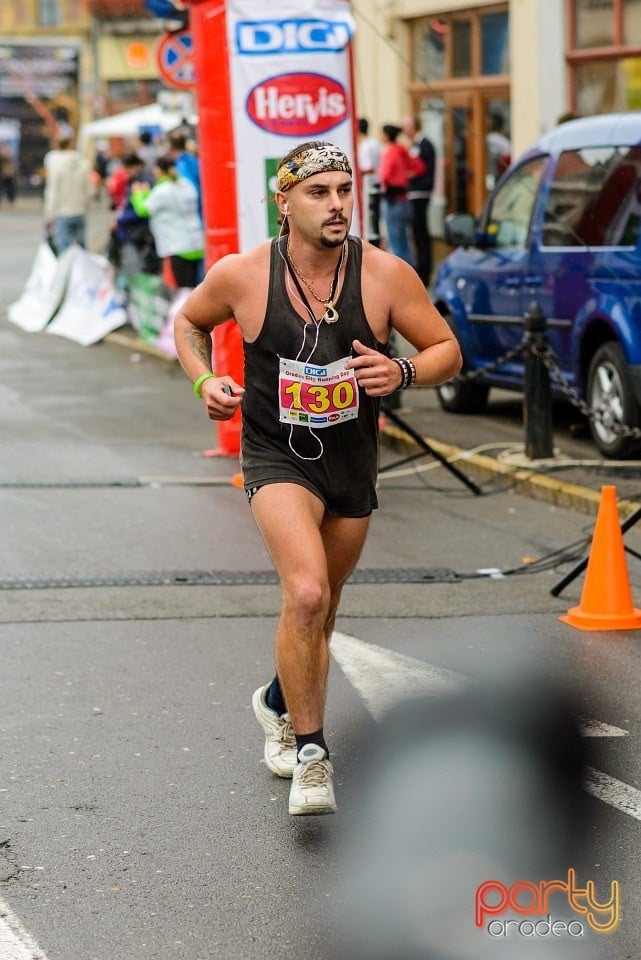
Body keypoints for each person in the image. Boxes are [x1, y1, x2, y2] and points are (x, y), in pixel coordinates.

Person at [173, 140, 461, 816]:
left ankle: (275, 698)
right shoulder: (242, 276)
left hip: (351, 462)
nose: (336, 205)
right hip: (276, 456)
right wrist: (205, 379)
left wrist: (404, 373)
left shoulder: (385, 275)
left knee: (323, 607)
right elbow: (188, 322)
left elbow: (446, 349)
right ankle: (310, 753)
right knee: (303, 593)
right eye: (318, 192)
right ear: (284, 201)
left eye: (343, 190)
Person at [130, 155, 204, 288]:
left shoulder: (161, 191)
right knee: (196, 287)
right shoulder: (186, 184)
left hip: (177, 247)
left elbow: (143, 209)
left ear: (159, 171)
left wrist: (138, 194)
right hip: (196, 243)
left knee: (184, 291)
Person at [401, 114, 436, 285]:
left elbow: (421, 169)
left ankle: (424, 271)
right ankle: (421, 269)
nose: (404, 130)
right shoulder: (414, 146)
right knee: (416, 233)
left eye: (406, 126)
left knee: (421, 233)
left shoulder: (424, 145)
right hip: (415, 194)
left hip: (420, 194)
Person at [42, 136, 91, 254]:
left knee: (64, 248)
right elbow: (89, 189)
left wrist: (49, 214)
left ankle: (68, 272)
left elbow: (52, 192)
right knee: (81, 248)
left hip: (62, 212)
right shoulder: (83, 164)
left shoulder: (57, 166)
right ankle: (81, 271)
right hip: (80, 211)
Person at [379, 124, 419, 265]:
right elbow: (419, 166)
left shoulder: (389, 152)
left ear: (386, 135)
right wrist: (407, 175)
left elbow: (384, 175)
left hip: (393, 201)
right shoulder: (402, 150)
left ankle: (398, 275)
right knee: (405, 240)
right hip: (405, 201)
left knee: (394, 242)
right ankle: (411, 271)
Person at [357, 117, 382, 246]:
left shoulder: (365, 146)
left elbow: (369, 168)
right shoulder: (375, 142)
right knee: (375, 219)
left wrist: (356, 171)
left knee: (371, 220)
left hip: (370, 186)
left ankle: (373, 246)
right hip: (377, 184)